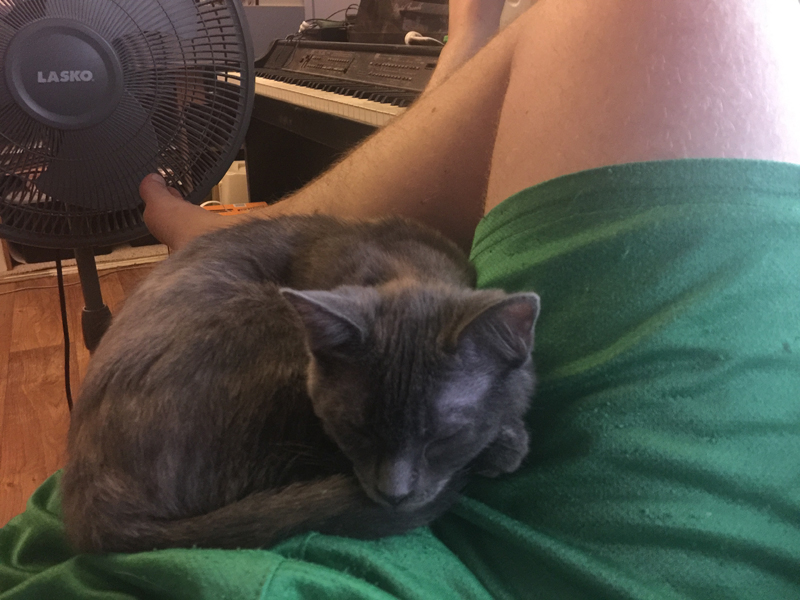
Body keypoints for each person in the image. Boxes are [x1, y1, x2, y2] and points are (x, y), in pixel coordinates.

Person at [2, 1, 798, 598]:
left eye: (430, 442)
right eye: (367, 438)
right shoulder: (331, 317)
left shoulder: (441, 312)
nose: (393, 486)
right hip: (163, 467)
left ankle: (215, 232)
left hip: (146, 456)